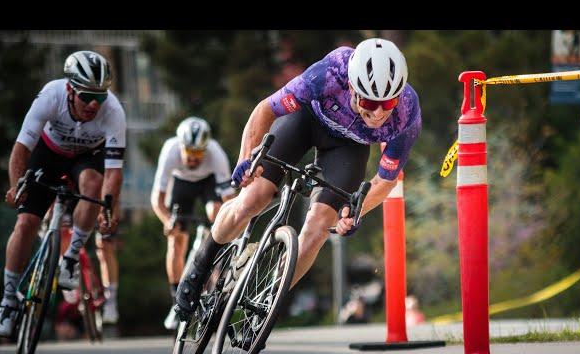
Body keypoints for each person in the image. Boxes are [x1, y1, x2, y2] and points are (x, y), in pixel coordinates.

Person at [174, 37, 422, 320]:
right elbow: (265, 110)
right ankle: (199, 266)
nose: (377, 113)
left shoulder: (406, 113)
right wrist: (247, 158)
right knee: (253, 199)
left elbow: (385, 181)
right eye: (368, 100)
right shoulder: (331, 72)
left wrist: (353, 212)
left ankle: (268, 304)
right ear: (352, 86)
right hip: (307, 120)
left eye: (386, 102)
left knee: (318, 228)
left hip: (349, 148)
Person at [0, 50, 125, 337]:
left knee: (94, 185)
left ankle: (70, 258)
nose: (94, 103)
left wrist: (108, 208)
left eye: (101, 96)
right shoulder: (50, 95)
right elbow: (21, 149)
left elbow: (114, 172)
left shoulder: (114, 111)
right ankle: (7, 301)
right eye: (86, 96)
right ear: (70, 89)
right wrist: (17, 185)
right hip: (48, 153)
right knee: (26, 223)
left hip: (87, 157)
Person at [150, 117, 234, 330]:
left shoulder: (215, 153)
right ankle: (175, 296)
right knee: (176, 239)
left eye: (199, 153)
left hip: (207, 184)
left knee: (216, 212)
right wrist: (167, 220)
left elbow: (229, 200)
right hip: (181, 184)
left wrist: (229, 227)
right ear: (181, 146)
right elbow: (157, 199)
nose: (194, 158)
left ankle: (211, 256)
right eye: (190, 152)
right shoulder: (170, 150)